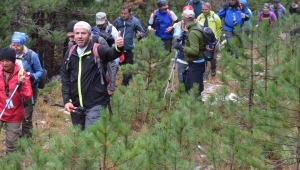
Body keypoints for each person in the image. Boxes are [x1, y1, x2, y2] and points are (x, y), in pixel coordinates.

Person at [60, 21, 124, 130]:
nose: (80, 36)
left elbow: (112, 53)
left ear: (89, 35)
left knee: (89, 137)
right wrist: (67, 100)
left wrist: (118, 47)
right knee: (79, 138)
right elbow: (65, 78)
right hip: (76, 106)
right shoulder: (70, 52)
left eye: (83, 33)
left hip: (95, 104)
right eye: (77, 33)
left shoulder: (97, 49)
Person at [10, 32, 43, 138]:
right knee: (14, 115)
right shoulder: (9, 54)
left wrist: (32, 76)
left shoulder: (31, 55)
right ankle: (14, 138)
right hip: (12, 90)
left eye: (18, 46)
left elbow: (40, 71)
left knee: (26, 115)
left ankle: (26, 139)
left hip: (29, 89)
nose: (15, 48)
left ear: (23, 45)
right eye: (13, 45)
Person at [0, 47, 33, 153]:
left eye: (7, 61)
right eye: (2, 60)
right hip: (0, 110)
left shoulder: (21, 74)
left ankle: (11, 165)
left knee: (11, 145)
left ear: (13, 61)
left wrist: (22, 84)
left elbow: (28, 96)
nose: (4, 63)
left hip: (14, 114)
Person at [113, 5, 145, 86]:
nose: (123, 15)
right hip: (119, 49)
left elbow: (142, 32)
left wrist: (139, 35)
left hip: (130, 49)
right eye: (122, 13)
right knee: (123, 69)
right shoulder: (117, 21)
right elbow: (113, 32)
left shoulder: (135, 21)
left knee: (128, 69)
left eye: (125, 13)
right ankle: (128, 82)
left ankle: (124, 86)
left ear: (129, 13)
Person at [182, 10, 206, 98]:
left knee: (195, 90)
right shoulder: (196, 26)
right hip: (196, 63)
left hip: (197, 63)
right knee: (189, 87)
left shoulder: (193, 32)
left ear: (184, 18)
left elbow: (194, 51)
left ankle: (199, 108)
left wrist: (183, 48)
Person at [197, 2, 222, 76]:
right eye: (203, 9)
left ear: (210, 9)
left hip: (212, 40)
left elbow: (219, 28)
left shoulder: (215, 17)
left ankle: (213, 69)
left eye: (206, 9)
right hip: (202, 39)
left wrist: (216, 39)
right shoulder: (199, 17)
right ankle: (204, 72)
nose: (204, 11)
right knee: (202, 55)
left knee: (212, 56)